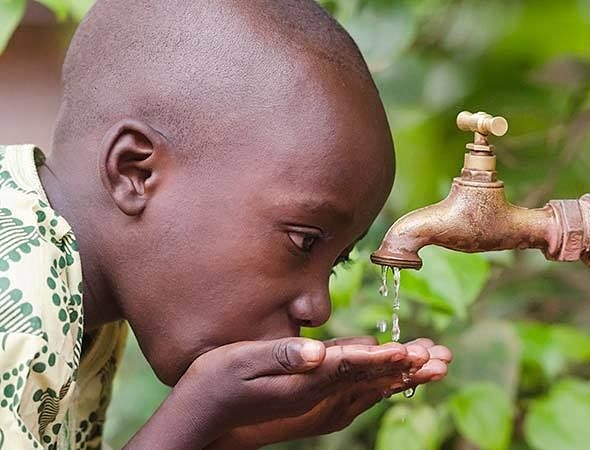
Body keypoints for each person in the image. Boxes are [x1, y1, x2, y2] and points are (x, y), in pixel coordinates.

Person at [0, 0, 452, 448]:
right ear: (135, 173)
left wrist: (226, 433)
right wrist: (198, 410)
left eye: (332, 265)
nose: (317, 309)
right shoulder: (17, 299)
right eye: (303, 241)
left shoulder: (71, 278)